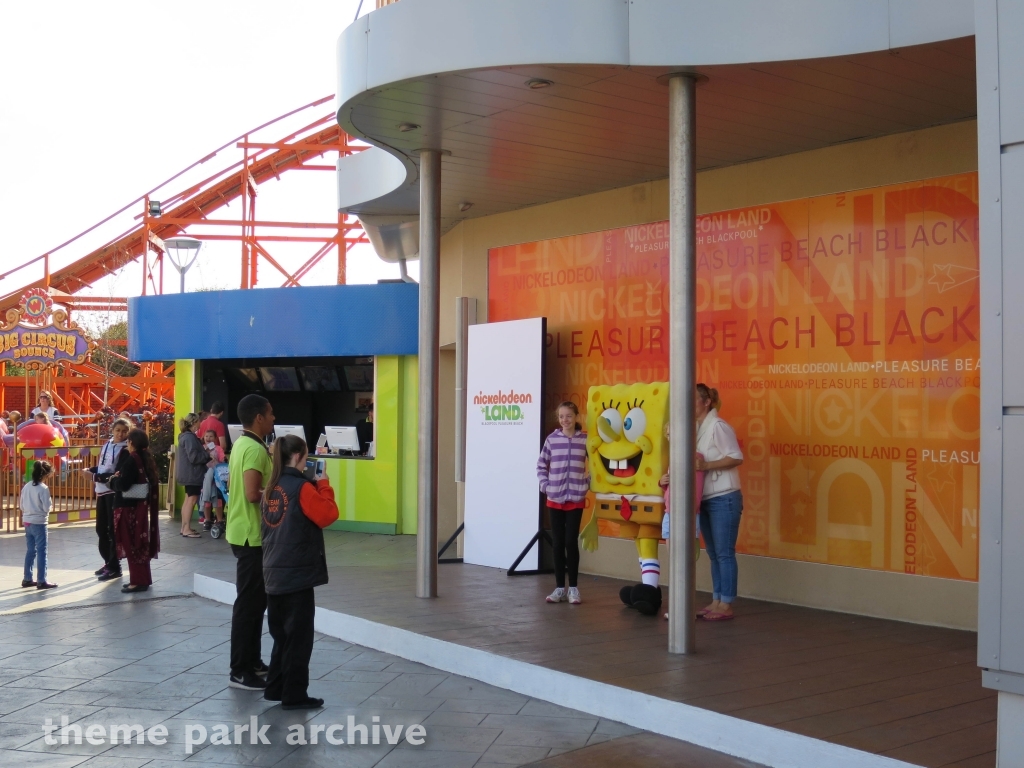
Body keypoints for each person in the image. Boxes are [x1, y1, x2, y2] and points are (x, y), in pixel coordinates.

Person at [261, 435, 338, 709]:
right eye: (306, 457)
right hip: (296, 573)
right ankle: (294, 694)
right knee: (299, 638)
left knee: (281, 635)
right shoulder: (301, 488)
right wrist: (324, 485)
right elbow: (327, 514)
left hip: (272, 571)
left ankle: (275, 687)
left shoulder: (272, 487)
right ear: (297, 457)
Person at [226, 393, 275, 690]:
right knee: (248, 605)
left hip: (242, 531)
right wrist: (284, 489)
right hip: (251, 536)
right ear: (258, 417)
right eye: (270, 414)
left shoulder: (242, 444)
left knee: (256, 604)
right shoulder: (255, 450)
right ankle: (240, 669)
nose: (273, 418)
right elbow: (252, 494)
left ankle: (253, 661)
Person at [694, 384, 744, 621]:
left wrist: (706, 466)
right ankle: (716, 599)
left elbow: (735, 456)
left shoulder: (718, 426)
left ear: (706, 402)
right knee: (714, 553)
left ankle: (726, 603)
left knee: (724, 552)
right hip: (706, 497)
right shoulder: (696, 429)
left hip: (724, 496)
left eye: (693, 399)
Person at [537, 401, 589, 605]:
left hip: (575, 499)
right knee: (557, 544)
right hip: (554, 498)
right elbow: (541, 464)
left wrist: (587, 483)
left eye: (568, 416)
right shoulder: (552, 440)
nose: (565, 420)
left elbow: (596, 465)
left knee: (570, 542)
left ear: (576, 416)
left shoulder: (585, 440)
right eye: (561, 416)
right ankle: (559, 587)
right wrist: (546, 486)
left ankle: (574, 588)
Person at [110, 429, 161, 593]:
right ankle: (142, 579)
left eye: (128, 441)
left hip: (128, 508)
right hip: (138, 507)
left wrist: (113, 481)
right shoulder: (145, 458)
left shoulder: (132, 459)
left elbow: (124, 484)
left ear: (132, 443)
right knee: (138, 543)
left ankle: (138, 581)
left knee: (132, 544)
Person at [86, 417, 132, 581]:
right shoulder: (107, 445)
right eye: (118, 430)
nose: (121, 434)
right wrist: (90, 470)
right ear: (112, 430)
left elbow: (116, 473)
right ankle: (108, 561)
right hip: (101, 491)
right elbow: (103, 466)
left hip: (113, 492)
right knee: (101, 529)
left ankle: (115, 567)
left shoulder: (126, 450)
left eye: (124, 431)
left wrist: (94, 477)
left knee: (113, 530)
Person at [21, 460, 57, 589]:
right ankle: (42, 580)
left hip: (27, 521)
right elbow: (47, 507)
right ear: (45, 475)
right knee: (42, 551)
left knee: (31, 550)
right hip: (39, 522)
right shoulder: (43, 488)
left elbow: (21, 505)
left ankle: (27, 578)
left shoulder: (27, 486)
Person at [175, 413, 209, 538]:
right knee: (192, 500)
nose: (201, 424)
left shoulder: (184, 437)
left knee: (187, 500)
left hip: (187, 474)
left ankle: (184, 527)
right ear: (194, 423)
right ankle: (187, 528)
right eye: (199, 422)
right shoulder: (190, 438)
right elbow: (194, 457)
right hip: (193, 474)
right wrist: (207, 455)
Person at [199, 428, 226, 533]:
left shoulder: (218, 449)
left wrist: (217, 460)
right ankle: (207, 519)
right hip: (205, 478)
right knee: (207, 499)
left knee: (218, 499)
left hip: (217, 479)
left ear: (215, 438)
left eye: (211, 436)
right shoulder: (201, 449)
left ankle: (219, 520)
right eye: (206, 436)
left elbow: (222, 460)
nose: (208, 438)